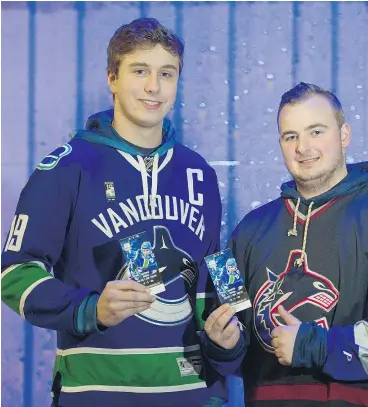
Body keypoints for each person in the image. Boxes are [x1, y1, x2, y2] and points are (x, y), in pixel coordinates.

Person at [1, 18, 244, 407]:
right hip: (97, 392)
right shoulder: (66, 167)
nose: (154, 87)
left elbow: (216, 282)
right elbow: (14, 275)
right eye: (140, 71)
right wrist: (88, 309)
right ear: (112, 77)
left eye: (167, 73)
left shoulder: (200, 173)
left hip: (192, 394)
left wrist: (230, 343)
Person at [202, 82, 368, 407]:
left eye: (316, 131)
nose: (303, 147)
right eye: (290, 136)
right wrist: (223, 344)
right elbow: (229, 351)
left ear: (344, 134)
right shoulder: (248, 231)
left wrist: (315, 346)